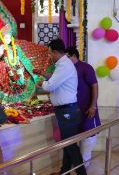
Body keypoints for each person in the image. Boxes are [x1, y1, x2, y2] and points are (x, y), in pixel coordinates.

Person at [38, 39, 87, 175]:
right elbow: (56, 81)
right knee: (67, 143)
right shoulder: (62, 64)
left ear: (55, 52)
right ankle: (65, 171)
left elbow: (51, 85)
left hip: (68, 111)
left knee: (71, 146)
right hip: (66, 110)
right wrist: (46, 79)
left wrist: (42, 83)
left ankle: (82, 173)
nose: (49, 56)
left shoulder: (64, 65)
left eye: (49, 53)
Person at [65, 47, 101, 168]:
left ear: (74, 56)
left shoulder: (86, 68)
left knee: (87, 139)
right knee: (74, 139)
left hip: (87, 109)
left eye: (67, 57)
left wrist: (93, 106)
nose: (65, 60)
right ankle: (78, 167)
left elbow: (94, 86)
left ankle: (83, 167)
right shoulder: (67, 69)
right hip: (74, 111)